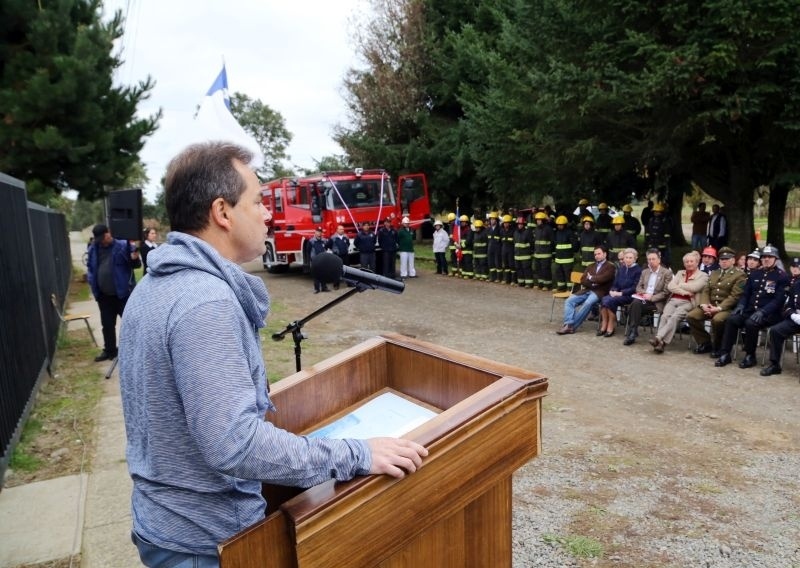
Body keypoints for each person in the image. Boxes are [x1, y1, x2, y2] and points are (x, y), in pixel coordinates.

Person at [118, 142, 427, 567]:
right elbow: (234, 444)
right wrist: (359, 454)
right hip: (204, 544)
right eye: (259, 201)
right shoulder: (204, 302)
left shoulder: (155, 285)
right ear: (222, 212)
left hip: (171, 528)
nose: (269, 214)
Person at [714, 244, 789, 368]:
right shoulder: (755, 273)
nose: (766, 259)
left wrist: (763, 312)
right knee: (732, 319)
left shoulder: (782, 276)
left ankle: (750, 355)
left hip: (770, 314)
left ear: (776, 259)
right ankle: (725, 353)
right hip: (751, 310)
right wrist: (741, 305)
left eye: (770, 257)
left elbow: (778, 301)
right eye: (764, 257)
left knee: (751, 323)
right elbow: (746, 293)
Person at [87, 223, 140, 362]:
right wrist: (92, 282)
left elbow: (135, 264)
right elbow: (91, 267)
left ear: (109, 233)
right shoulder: (94, 248)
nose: (102, 241)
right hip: (104, 296)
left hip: (122, 294)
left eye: (103, 237)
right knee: (107, 325)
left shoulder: (123, 245)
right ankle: (110, 351)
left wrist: (134, 257)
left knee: (131, 323)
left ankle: (139, 350)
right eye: (100, 239)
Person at [685, 247, 746, 356]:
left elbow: (734, 296)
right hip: (710, 305)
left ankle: (719, 346)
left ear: (733, 260)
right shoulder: (714, 273)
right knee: (691, 316)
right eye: (722, 259)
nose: (724, 261)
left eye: (727, 259)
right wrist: (704, 304)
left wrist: (718, 308)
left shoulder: (739, 275)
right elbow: (706, 290)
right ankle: (705, 343)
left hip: (726, 308)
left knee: (717, 320)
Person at [649, 251, 708, 353]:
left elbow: (695, 287)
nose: (689, 263)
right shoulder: (680, 272)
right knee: (664, 316)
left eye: (691, 261)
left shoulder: (703, 275)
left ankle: (658, 338)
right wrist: (684, 292)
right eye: (686, 262)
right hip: (673, 300)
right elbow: (670, 286)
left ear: (697, 262)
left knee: (674, 317)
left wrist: (680, 284)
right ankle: (661, 344)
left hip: (689, 302)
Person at [556, 245, 615, 335]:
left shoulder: (610, 267)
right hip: (587, 290)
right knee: (569, 301)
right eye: (595, 254)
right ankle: (569, 323)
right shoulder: (590, 266)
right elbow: (583, 280)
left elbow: (604, 278)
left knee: (588, 303)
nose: (597, 256)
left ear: (605, 254)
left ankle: (571, 327)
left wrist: (591, 278)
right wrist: (594, 281)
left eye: (599, 254)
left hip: (600, 292)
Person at [623, 249, 674, 346]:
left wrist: (652, 297)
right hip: (644, 299)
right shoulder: (645, 272)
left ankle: (632, 332)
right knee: (635, 303)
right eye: (649, 259)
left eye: (653, 259)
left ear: (659, 260)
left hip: (657, 302)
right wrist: (645, 294)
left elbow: (666, 292)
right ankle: (633, 332)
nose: (651, 261)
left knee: (634, 305)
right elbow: (638, 287)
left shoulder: (666, 273)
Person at [761, 273, 800, 376]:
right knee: (775, 330)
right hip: (796, 319)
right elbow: (788, 305)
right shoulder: (796, 285)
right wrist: (793, 315)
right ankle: (775, 365)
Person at [598, 248, 642, 337]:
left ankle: (611, 325)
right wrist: (612, 290)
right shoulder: (622, 268)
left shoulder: (638, 270)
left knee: (610, 301)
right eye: (626, 257)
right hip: (617, 294)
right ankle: (604, 323)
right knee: (604, 299)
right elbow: (616, 283)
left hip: (629, 296)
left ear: (635, 258)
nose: (628, 259)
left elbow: (635, 287)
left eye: (630, 258)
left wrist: (621, 293)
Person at [553, 215, 577, 292]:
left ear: (565, 224)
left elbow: (575, 245)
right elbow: (555, 244)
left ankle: (570, 289)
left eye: (561, 225)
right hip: (558, 258)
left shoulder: (570, 233)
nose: (559, 226)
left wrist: (571, 252)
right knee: (559, 273)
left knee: (568, 274)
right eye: (558, 225)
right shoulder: (556, 233)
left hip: (567, 258)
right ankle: (561, 287)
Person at [532, 211, 554, 290]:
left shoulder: (548, 229)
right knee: (538, 269)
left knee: (546, 270)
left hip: (546, 254)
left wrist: (552, 253)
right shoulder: (536, 229)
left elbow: (552, 241)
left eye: (540, 220)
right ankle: (540, 284)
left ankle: (547, 285)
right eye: (537, 220)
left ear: (543, 220)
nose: (538, 221)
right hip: (537, 253)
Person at [644, 203, 671, 267]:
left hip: (662, 244)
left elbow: (667, 233)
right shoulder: (651, 220)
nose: (656, 213)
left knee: (662, 258)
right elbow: (648, 231)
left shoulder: (665, 220)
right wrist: (648, 241)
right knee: (651, 257)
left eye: (658, 212)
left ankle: (663, 267)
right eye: (655, 212)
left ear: (661, 212)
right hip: (652, 243)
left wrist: (664, 242)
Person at [512, 216, 534, 287]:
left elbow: (531, 243)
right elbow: (515, 243)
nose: (520, 225)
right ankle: (521, 282)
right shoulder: (515, 232)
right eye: (519, 224)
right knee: (519, 269)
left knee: (527, 269)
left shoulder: (527, 232)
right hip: (517, 255)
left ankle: (529, 283)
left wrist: (531, 252)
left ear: (524, 224)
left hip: (525, 255)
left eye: (521, 224)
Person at [327, 224, 350, 289]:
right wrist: (335, 250)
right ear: (337, 230)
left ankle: (349, 283)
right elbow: (329, 245)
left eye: (342, 229)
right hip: (337, 256)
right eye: (340, 229)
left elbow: (348, 244)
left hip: (345, 256)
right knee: (336, 270)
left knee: (347, 270)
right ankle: (336, 285)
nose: (342, 230)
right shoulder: (333, 237)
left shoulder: (346, 237)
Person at [309, 227, 330, 293]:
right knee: (316, 275)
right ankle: (317, 289)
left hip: (322, 260)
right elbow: (308, 251)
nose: (319, 233)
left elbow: (326, 248)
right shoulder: (311, 241)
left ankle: (324, 287)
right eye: (318, 232)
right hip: (315, 260)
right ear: (315, 232)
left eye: (320, 232)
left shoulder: (324, 240)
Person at [486, 211, 502, 282]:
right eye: (491, 219)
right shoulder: (488, 229)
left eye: (494, 219)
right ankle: (492, 277)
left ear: (496, 220)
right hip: (490, 248)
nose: (492, 221)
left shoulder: (500, 229)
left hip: (497, 248)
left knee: (498, 263)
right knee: (491, 262)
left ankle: (499, 278)